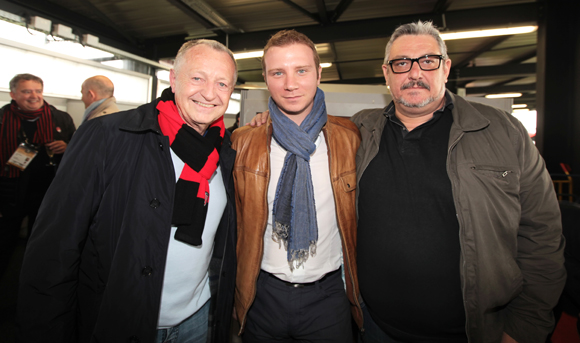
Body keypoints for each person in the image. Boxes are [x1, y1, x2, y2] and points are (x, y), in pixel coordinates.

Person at [353, 21, 565, 343]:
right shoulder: (357, 133)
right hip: (376, 327)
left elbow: (542, 234)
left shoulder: (503, 132)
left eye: (428, 61)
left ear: (446, 67)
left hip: (475, 333)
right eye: (401, 64)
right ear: (386, 73)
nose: (414, 73)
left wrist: (523, 329)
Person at [17, 39, 238, 343]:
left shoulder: (228, 152)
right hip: (119, 322)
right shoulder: (108, 136)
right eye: (197, 78)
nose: (210, 93)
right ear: (173, 80)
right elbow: (54, 248)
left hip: (197, 322)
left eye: (222, 83)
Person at [231, 29, 363, 342]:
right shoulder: (243, 142)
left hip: (330, 297)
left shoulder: (351, 139)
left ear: (319, 73)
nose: (290, 84)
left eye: (301, 70)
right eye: (278, 73)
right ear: (265, 78)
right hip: (262, 296)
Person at [0, 73, 75, 278]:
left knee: (42, 242)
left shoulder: (60, 118)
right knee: (5, 240)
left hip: (48, 193)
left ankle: (33, 282)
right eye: (26, 91)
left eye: (38, 91)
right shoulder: (2, 118)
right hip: (10, 192)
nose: (34, 96)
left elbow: (79, 152)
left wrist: (67, 147)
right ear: (13, 94)